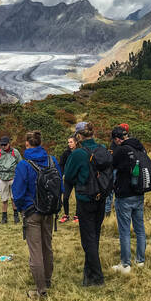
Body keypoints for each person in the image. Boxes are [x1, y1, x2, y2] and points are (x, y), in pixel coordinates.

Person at [12, 131, 64, 299]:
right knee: (47, 247)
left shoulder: (24, 165)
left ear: (27, 144)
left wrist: (21, 208)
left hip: (31, 212)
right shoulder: (52, 160)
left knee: (35, 251)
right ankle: (47, 280)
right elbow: (60, 186)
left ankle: (41, 290)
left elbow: (18, 193)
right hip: (50, 211)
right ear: (41, 143)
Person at [64, 121, 106, 286]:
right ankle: (88, 274)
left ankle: (97, 277)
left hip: (85, 199)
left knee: (87, 239)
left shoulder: (78, 154)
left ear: (78, 136)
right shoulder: (102, 149)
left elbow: (68, 175)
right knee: (94, 236)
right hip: (101, 198)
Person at [110, 126, 147, 273]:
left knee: (124, 230)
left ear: (117, 139)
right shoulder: (140, 147)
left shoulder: (121, 150)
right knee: (140, 228)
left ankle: (126, 264)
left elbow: (112, 165)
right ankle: (140, 260)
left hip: (124, 194)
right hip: (139, 192)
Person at [0, 136, 22, 224]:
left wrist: (17, 176)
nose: (3, 146)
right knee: (4, 199)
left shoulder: (15, 152)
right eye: (2, 145)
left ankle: (16, 217)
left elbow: (20, 164)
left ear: (9, 144)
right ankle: (4, 218)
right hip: (3, 179)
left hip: (13, 178)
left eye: (5, 144)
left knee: (14, 198)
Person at [105, 123, 129, 217]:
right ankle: (109, 211)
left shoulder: (115, 144)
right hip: (116, 170)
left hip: (116, 170)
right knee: (113, 191)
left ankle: (109, 211)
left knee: (112, 191)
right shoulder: (118, 144)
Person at [59, 134, 78, 223]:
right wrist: (62, 174)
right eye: (68, 142)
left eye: (71, 142)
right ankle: (66, 215)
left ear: (76, 143)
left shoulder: (79, 152)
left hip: (78, 178)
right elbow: (61, 164)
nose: (69, 144)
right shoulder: (66, 153)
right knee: (65, 197)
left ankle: (77, 216)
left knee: (79, 197)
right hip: (68, 179)